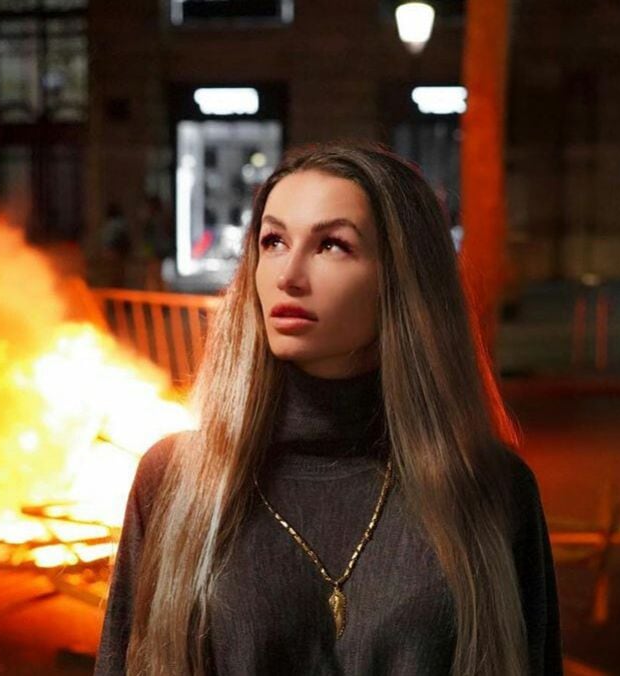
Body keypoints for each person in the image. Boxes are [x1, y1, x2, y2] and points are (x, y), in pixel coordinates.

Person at [94, 142, 562, 675]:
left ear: (402, 279)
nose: (287, 275)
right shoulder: (175, 480)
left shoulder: (491, 489)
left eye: (332, 246)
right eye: (273, 241)